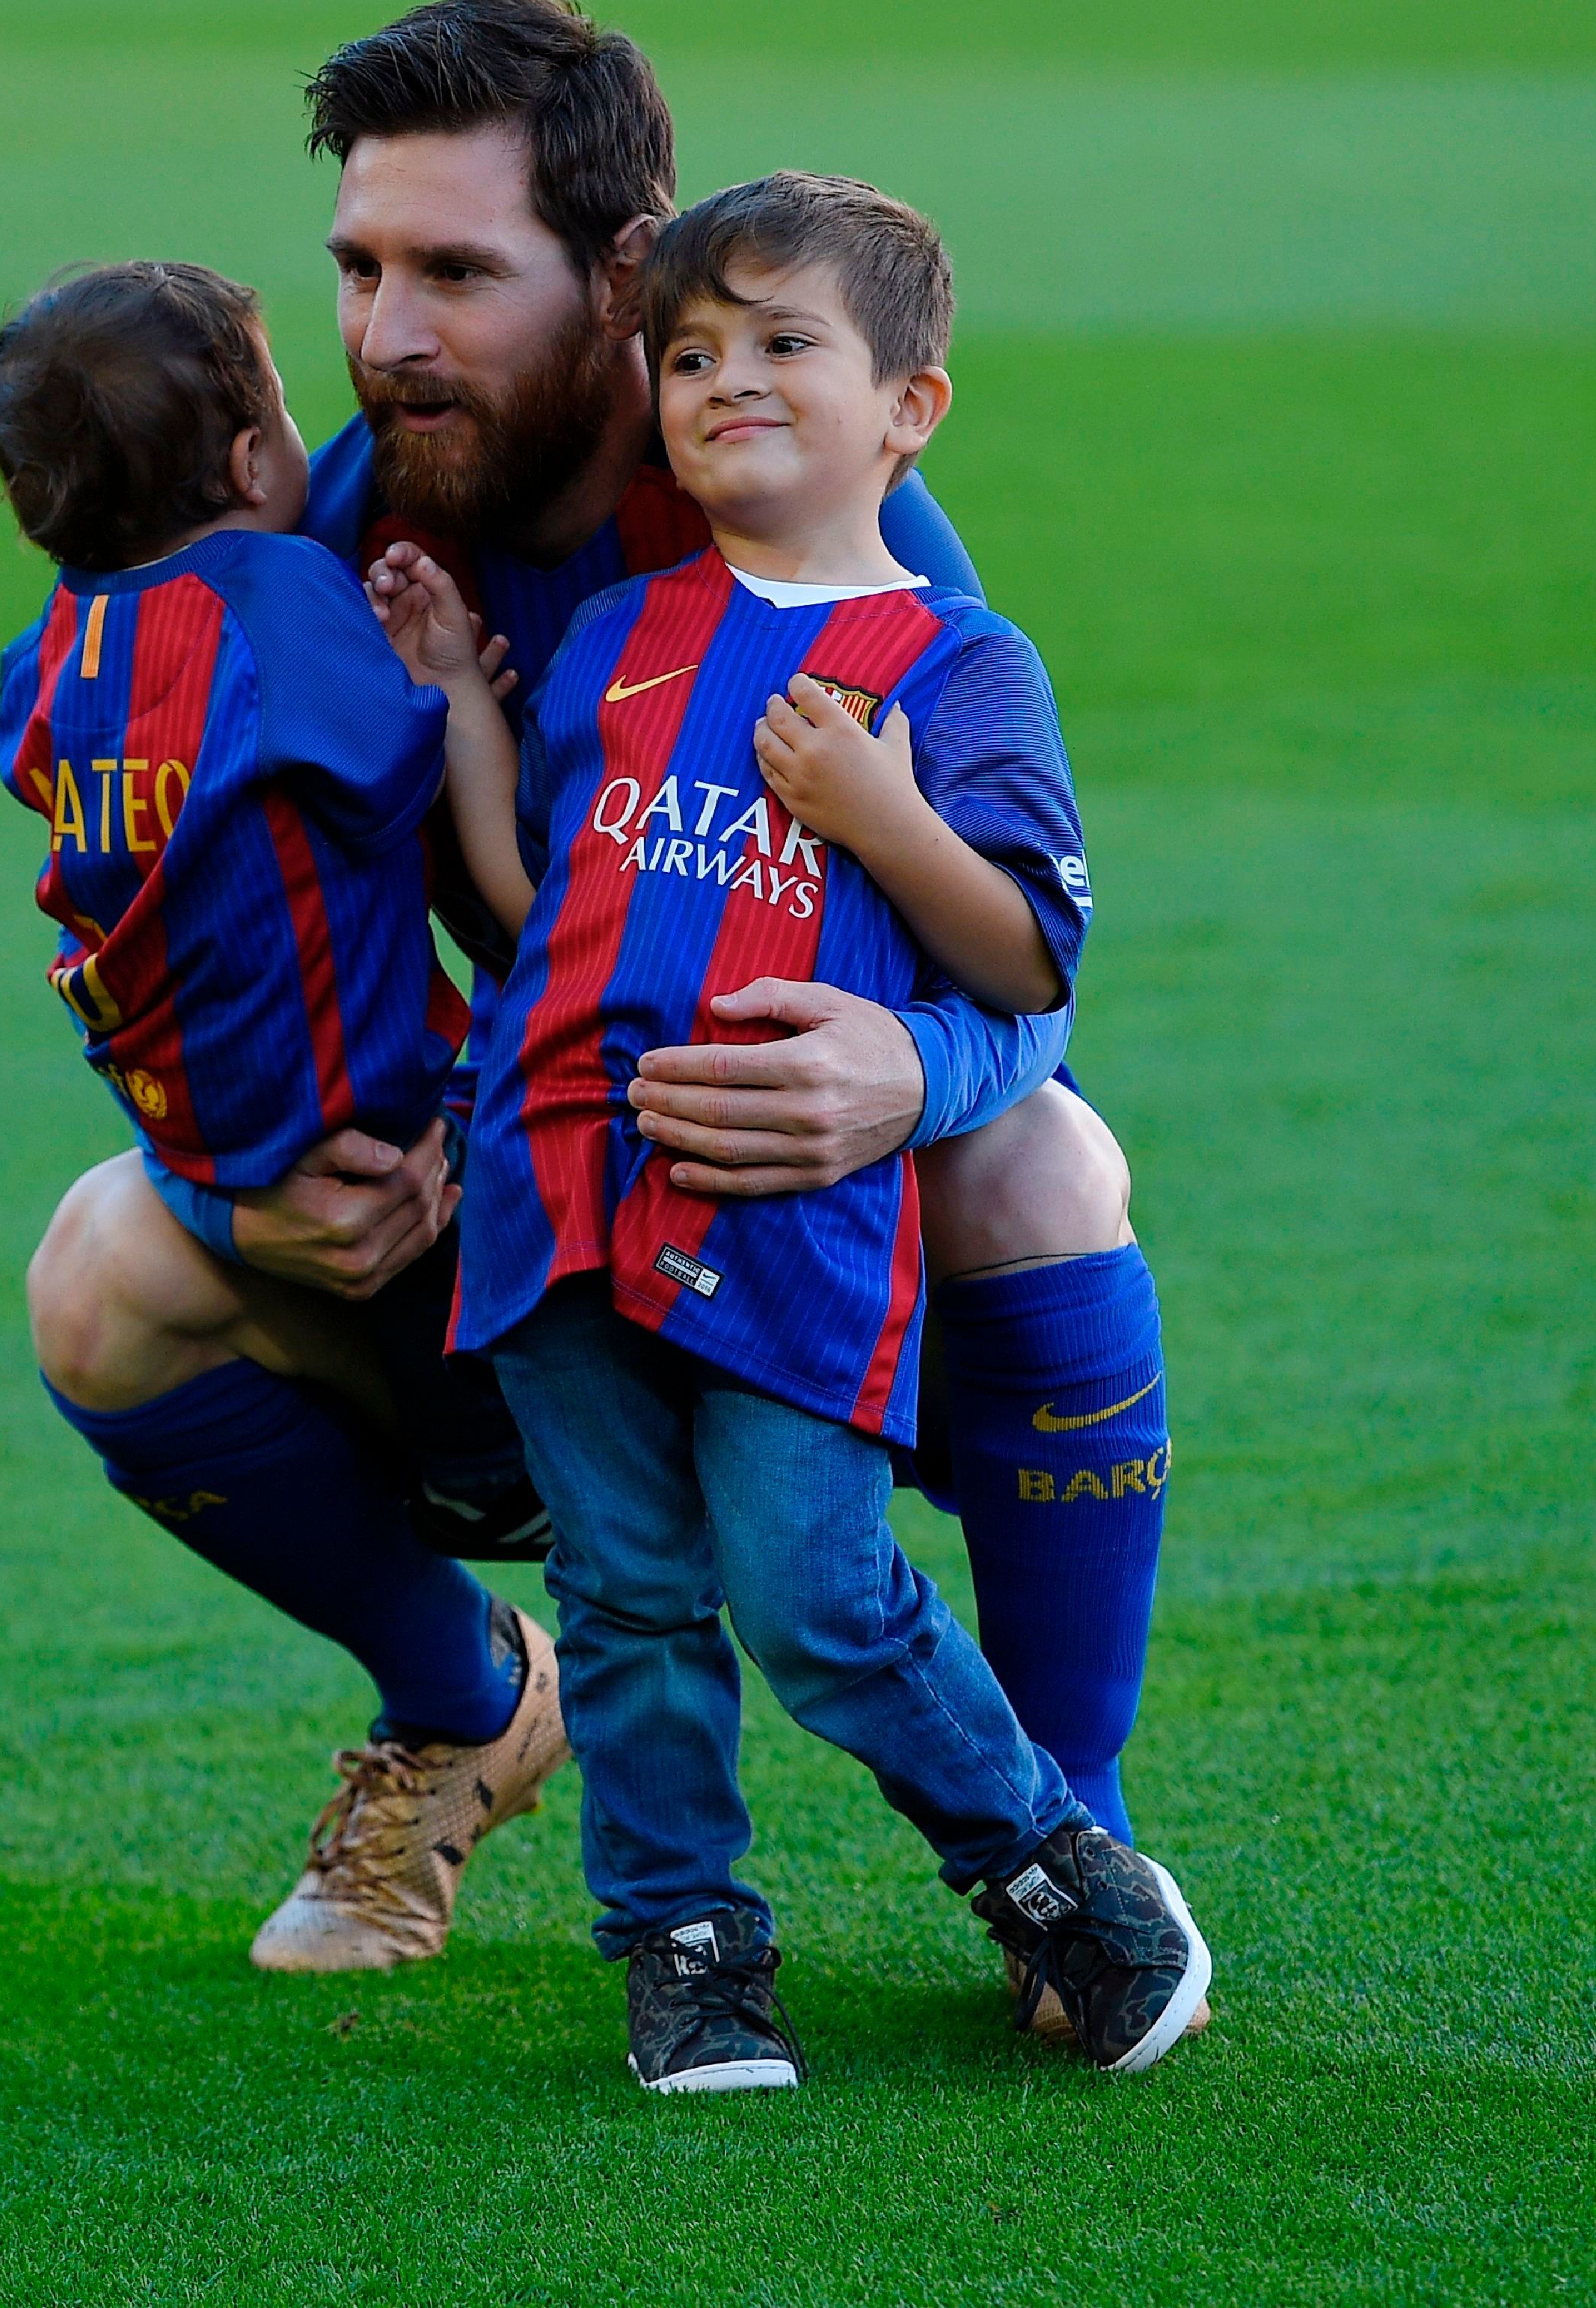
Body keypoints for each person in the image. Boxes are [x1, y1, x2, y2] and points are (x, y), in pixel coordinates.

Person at [25, 0, 1179, 1989]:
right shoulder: (318, 545)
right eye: (361, 269)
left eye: (457, 273)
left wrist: (915, 1066)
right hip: (517, 1189)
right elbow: (160, 911)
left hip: (776, 1192)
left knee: (1046, 1165)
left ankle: (1068, 1829)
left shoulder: (825, 522)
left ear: (625, 277)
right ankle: (465, 1708)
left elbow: (1030, 944)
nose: (384, 337)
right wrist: (249, 1162)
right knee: (103, 1272)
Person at [393, 167, 1209, 2088]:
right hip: (564, 1190)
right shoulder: (615, 632)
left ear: (907, 406)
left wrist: (876, 809)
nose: (726, 380)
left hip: (792, 1214)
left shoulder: (956, 663)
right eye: (690, 354)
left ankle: (1047, 1864)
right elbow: (534, 900)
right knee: (626, 1598)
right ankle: (685, 1944)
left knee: (812, 1588)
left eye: (782, 345)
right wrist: (457, 705)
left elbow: (1024, 956)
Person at [0, 259, 572, 1972]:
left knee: (117, 1265)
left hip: (231, 1160)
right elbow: (434, 818)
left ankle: (481, 1681)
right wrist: (457, 684)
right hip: (422, 1163)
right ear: (251, 460)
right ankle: (556, 1751)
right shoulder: (281, 602)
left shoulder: (52, 657)